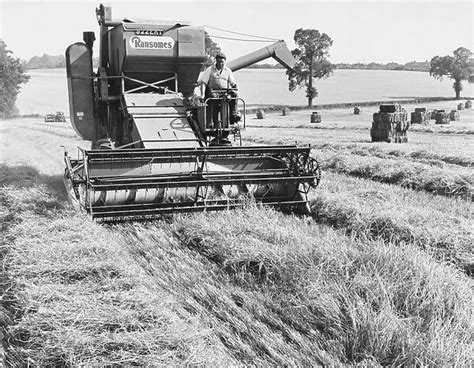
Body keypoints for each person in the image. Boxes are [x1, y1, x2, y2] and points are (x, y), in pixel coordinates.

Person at [197, 52, 240, 126]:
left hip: (224, 91)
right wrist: (202, 94)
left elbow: (232, 82)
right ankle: (214, 121)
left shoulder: (228, 71)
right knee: (214, 98)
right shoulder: (210, 70)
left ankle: (233, 115)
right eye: (219, 62)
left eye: (222, 62)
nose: (221, 64)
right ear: (216, 61)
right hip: (212, 91)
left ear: (225, 62)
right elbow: (203, 83)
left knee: (235, 95)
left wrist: (234, 85)